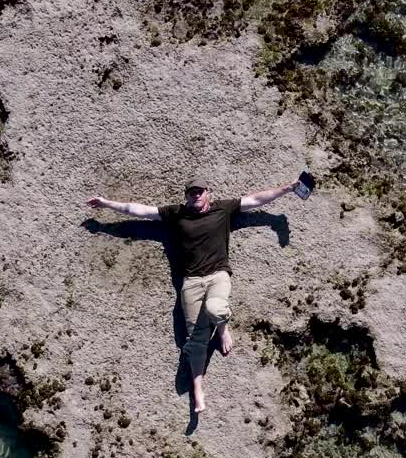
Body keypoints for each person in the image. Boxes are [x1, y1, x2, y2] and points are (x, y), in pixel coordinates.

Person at [87, 177, 301, 413]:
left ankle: (222, 329)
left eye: (200, 192)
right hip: (190, 283)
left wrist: (287, 189)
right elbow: (139, 210)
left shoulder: (223, 208)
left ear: (208, 193)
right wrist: (107, 204)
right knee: (194, 341)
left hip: (218, 275)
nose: (196, 196)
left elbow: (256, 200)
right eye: (191, 193)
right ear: (186, 196)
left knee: (216, 307)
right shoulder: (175, 213)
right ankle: (198, 387)